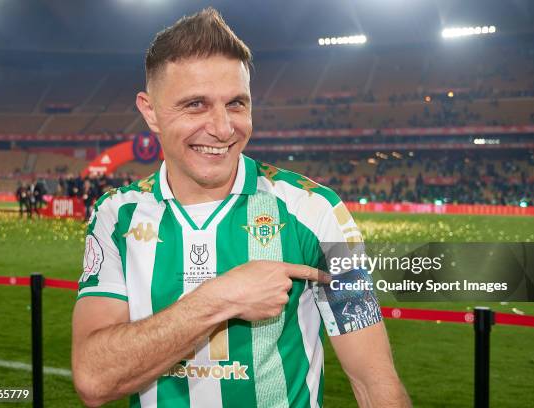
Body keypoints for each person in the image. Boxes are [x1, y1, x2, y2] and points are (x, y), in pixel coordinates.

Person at [72, 8, 410, 408]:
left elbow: (374, 381)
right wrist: (220, 299)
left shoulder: (317, 210)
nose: (223, 127)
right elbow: (93, 379)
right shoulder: (116, 215)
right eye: (196, 104)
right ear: (150, 111)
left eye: (236, 103)